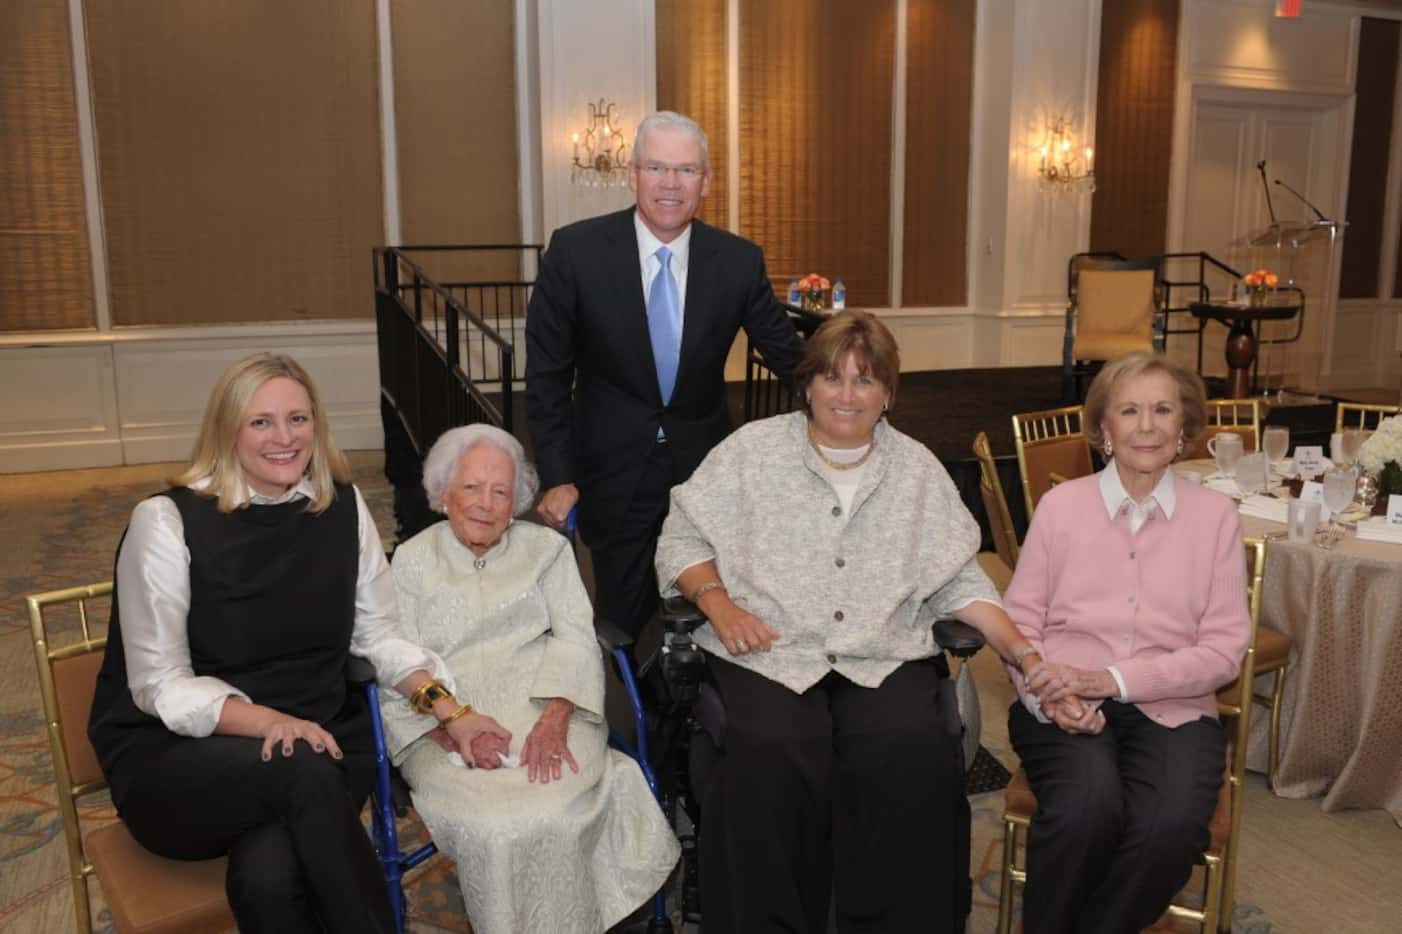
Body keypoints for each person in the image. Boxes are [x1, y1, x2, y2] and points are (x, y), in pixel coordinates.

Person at [87, 353, 509, 933]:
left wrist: (449, 708)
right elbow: (158, 684)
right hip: (180, 763)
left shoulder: (341, 507)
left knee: (269, 879)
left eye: (298, 418)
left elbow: (378, 635)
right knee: (302, 766)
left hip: (316, 741)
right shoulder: (165, 522)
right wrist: (267, 723)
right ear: (226, 429)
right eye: (261, 422)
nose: (284, 438)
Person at [654, 310, 1041, 932]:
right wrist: (719, 604)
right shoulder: (751, 451)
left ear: (888, 393)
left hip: (881, 649)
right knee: (774, 749)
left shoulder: (916, 469)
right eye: (833, 378)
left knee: (908, 749)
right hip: (769, 647)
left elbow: (959, 578)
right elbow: (681, 539)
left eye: (865, 381)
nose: (847, 395)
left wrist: (1022, 651)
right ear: (807, 385)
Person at [380, 424, 680, 934]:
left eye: (501, 492)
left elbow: (577, 638)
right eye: (472, 487)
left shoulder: (547, 551)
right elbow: (400, 663)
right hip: (446, 723)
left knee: (558, 805)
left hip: (550, 707)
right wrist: (446, 730)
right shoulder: (410, 561)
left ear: (516, 499)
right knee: (495, 827)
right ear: (443, 491)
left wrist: (556, 717)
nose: (485, 503)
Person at [526, 109, 802, 637]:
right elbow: (547, 375)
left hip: (703, 473)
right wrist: (557, 475)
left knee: (705, 611)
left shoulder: (738, 261)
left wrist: (848, 403)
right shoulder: (576, 252)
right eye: (657, 168)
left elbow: (788, 356)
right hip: (610, 471)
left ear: (706, 183)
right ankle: (635, 717)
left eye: (686, 170)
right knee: (623, 620)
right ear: (632, 175)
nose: (670, 184)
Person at [1003, 351, 1251, 933]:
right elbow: (1019, 624)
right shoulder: (1061, 507)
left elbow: (1221, 652)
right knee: (1085, 809)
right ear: (1103, 429)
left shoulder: (1216, 516)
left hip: (1175, 709)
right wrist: (1045, 692)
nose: (1147, 425)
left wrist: (1111, 680)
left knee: (1168, 826)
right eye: (1130, 410)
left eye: (1163, 409)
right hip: (1062, 701)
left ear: (1184, 426)